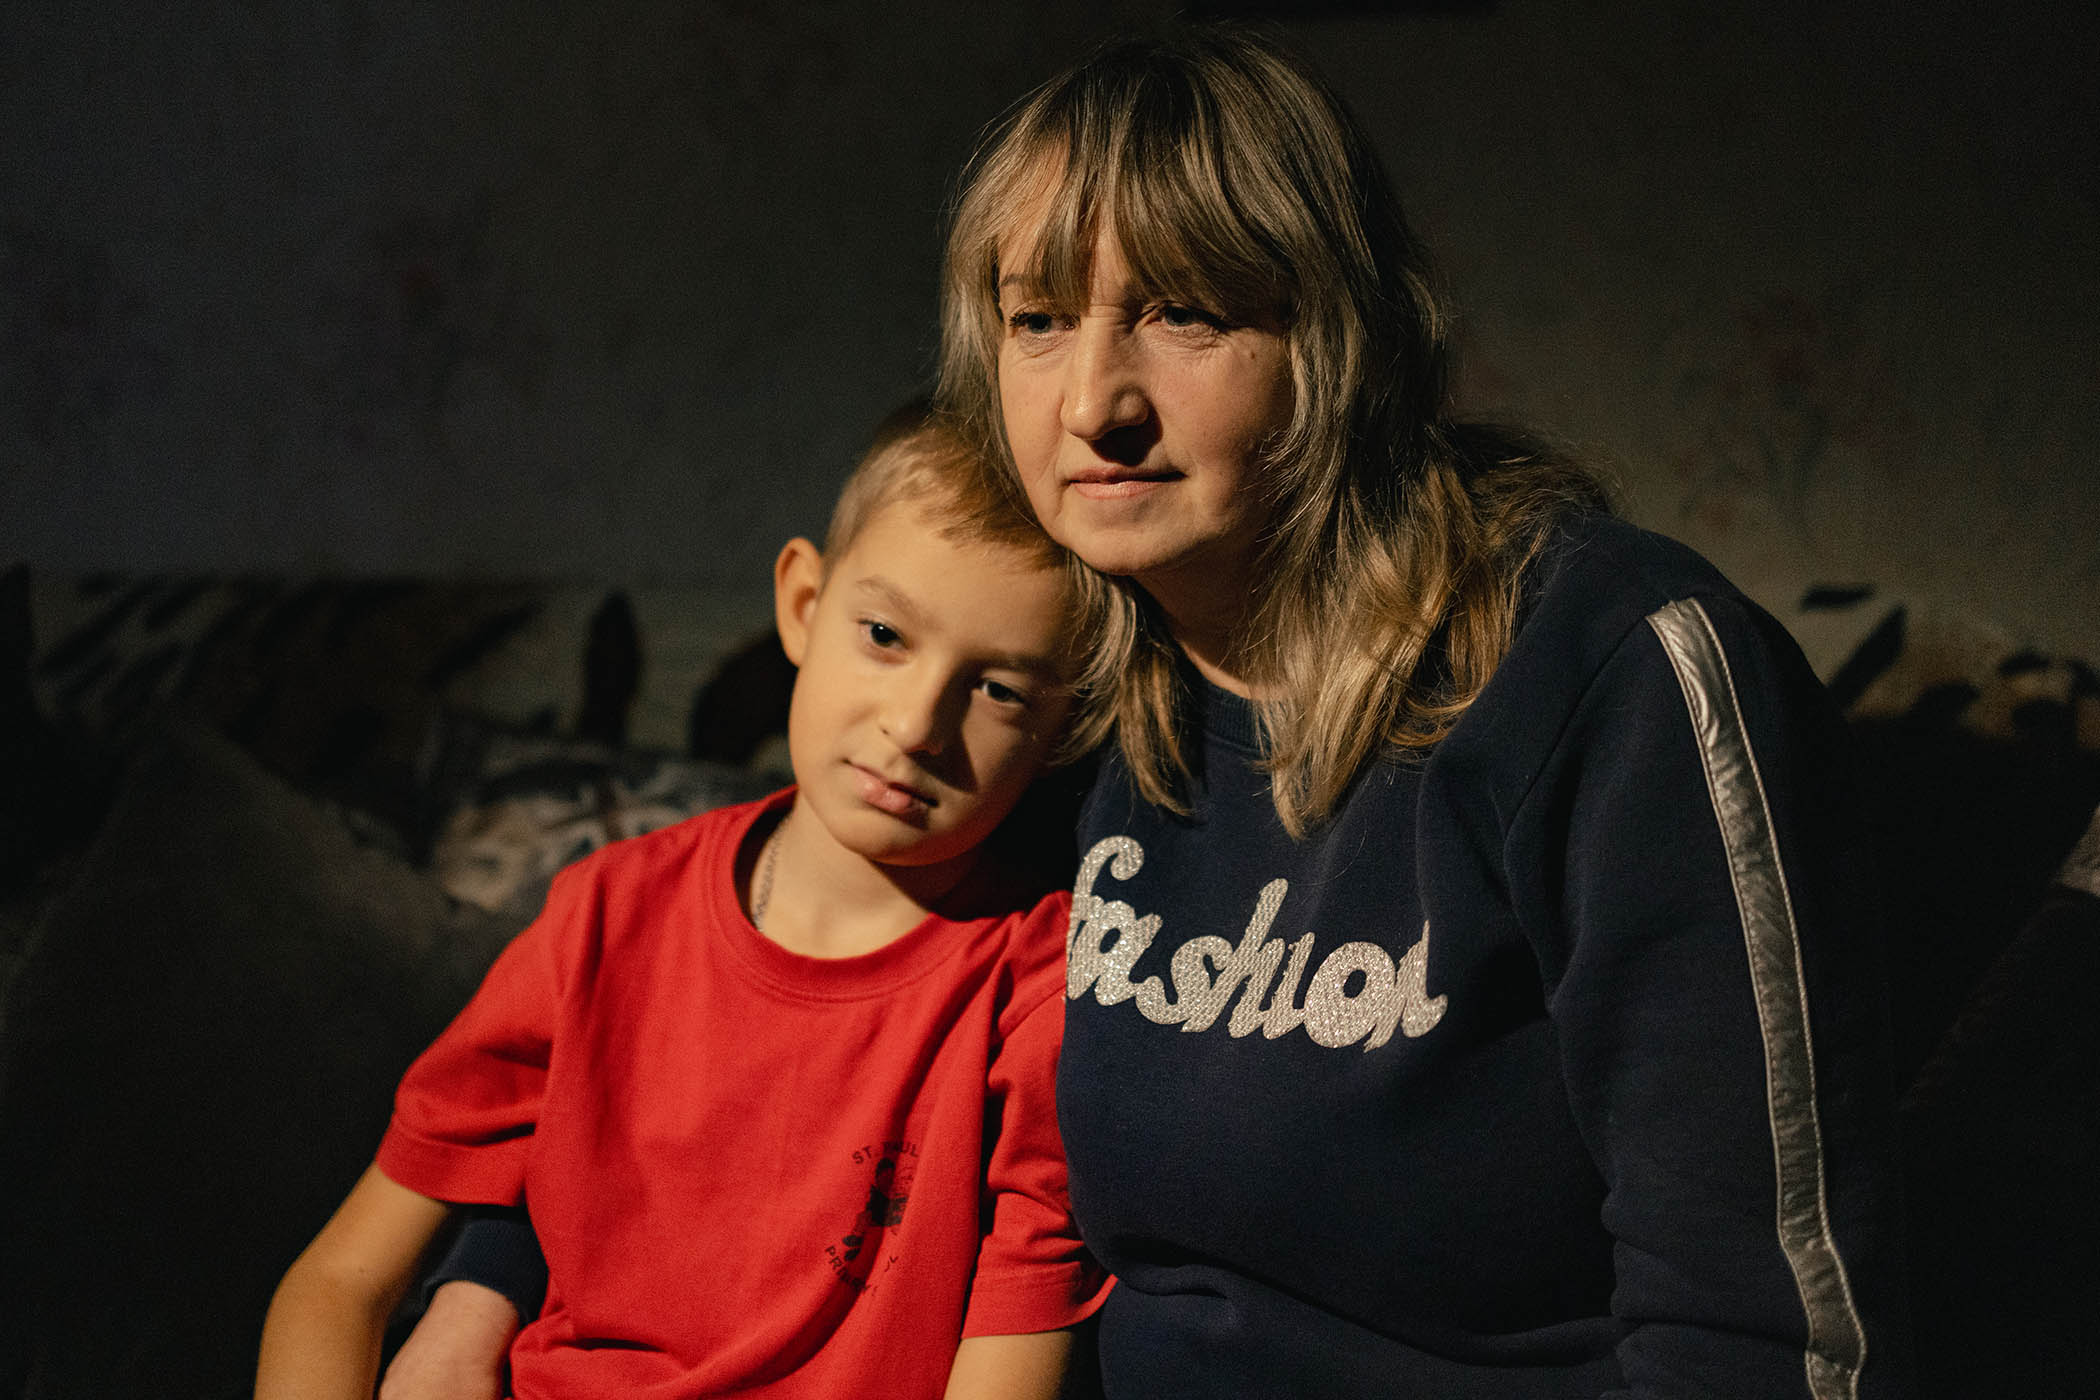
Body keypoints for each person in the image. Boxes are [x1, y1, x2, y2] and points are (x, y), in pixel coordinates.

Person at [400, 23, 1913, 1399]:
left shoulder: (1609, 673)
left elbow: (1763, 1329)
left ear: (1339, 336)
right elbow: (759, 1039)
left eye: (1187, 313)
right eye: (1038, 319)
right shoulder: (1051, 681)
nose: (1094, 405)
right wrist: (490, 1281)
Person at [253, 408, 1112, 1400]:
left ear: (1065, 728)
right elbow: (339, 1284)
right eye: (884, 635)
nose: (917, 724)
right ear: (802, 604)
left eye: (999, 690)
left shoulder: (1040, 998)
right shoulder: (603, 917)